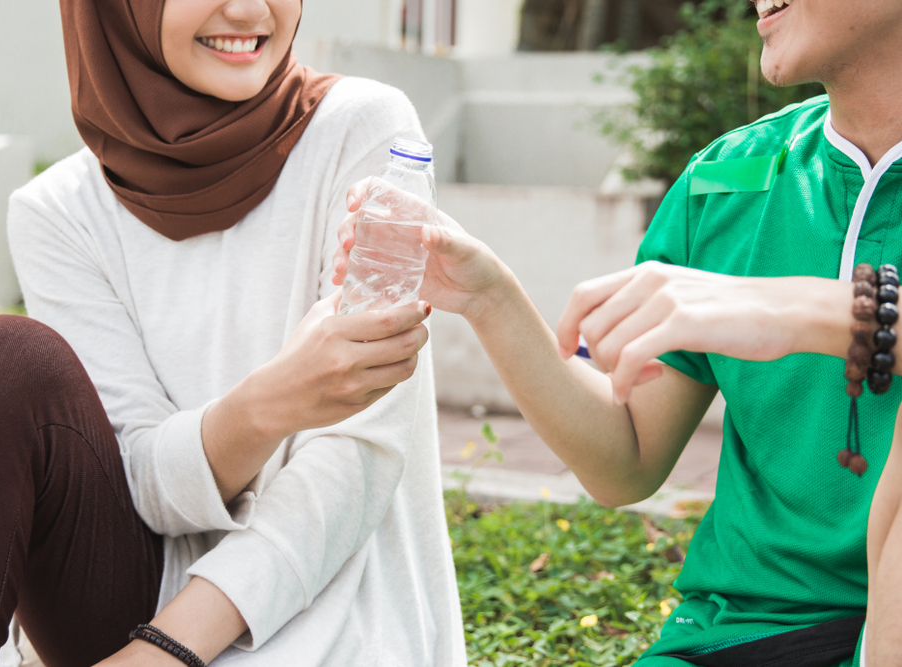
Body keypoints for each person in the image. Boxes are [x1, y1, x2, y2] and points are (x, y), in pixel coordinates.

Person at [334, 0, 902, 664]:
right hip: (747, 629)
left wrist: (815, 312)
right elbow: (626, 459)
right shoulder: (728, 180)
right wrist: (490, 298)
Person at [0, 1, 466, 666]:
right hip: (129, 593)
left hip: (326, 615)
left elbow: (357, 461)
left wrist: (162, 653)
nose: (250, 10)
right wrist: (266, 406)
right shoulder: (59, 212)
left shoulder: (365, 132)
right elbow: (140, 479)